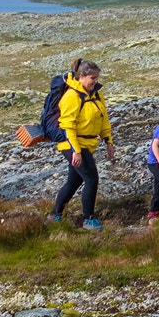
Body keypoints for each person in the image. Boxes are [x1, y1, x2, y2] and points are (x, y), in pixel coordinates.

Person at [52, 58, 114, 230]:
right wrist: (76, 151)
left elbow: (103, 119)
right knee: (91, 178)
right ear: (82, 76)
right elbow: (67, 126)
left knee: (74, 181)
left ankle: (54, 215)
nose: (95, 81)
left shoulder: (96, 94)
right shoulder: (71, 96)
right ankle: (88, 219)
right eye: (92, 78)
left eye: (96, 77)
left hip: (86, 144)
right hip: (72, 145)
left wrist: (108, 141)